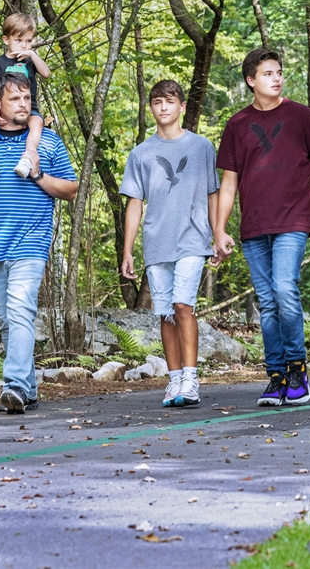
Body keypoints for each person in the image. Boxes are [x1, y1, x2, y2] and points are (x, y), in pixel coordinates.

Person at [0, 72, 78, 413]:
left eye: (26, 98)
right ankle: (29, 389)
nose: (23, 105)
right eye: (15, 99)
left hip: (30, 243)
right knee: (7, 319)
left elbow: (71, 189)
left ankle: (15, 385)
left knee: (21, 309)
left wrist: (37, 174)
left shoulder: (47, 141)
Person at [213, 48, 310, 407]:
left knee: (284, 288)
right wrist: (219, 230)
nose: (276, 78)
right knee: (267, 303)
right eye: (268, 73)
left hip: (294, 220)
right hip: (254, 225)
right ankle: (276, 376)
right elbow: (229, 183)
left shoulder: (301, 116)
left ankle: (298, 368)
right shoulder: (236, 125)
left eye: (279, 72)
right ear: (251, 80)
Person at [120, 80, 220, 408]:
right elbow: (134, 203)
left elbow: (212, 193)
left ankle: (191, 378)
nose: (163, 107)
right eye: (157, 102)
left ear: (181, 107)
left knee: (183, 305)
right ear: (151, 108)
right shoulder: (141, 154)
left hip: (193, 238)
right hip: (156, 241)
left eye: (170, 101)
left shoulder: (201, 146)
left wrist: (218, 234)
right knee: (165, 313)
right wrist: (128, 250)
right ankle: (174, 379)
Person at [0, 13, 51, 182]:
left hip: (28, 109)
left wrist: (32, 55)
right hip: (2, 108)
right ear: (6, 40)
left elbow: (46, 73)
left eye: (28, 41)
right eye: (19, 40)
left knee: (37, 123)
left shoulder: (30, 61)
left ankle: (27, 158)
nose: (24, 45)